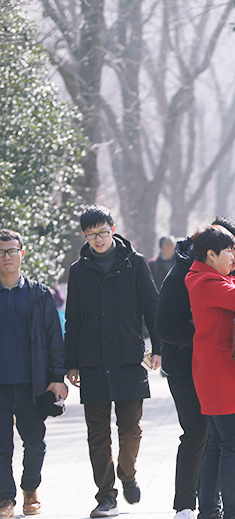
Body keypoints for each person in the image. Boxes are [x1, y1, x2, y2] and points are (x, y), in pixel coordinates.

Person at [156, 217, 235, 519]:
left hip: (218, 373)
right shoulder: (204, 280)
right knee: (234, 447)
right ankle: (233, 511)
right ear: (211, 254)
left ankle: (210, 510)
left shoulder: (208, 275)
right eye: (230, 251)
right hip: (222, 375)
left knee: (216, 446)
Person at [64, 206, 162, 517]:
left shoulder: (134, 264)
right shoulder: (79, 271)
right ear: (84, 236)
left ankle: (127, 473)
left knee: (130, 429)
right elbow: (73, 320)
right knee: (97, 434)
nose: (99, 239)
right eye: (92, 235)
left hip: (128, 359)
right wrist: (71, 362)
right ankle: (105, 495)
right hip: (92, 360)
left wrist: (158, 347)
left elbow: (152, 307)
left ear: (113, 228)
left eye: (103, 232)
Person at [0, 229, 68, 518]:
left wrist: (57, 378)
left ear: (22, 254)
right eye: (2, 252)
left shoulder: (39, 294)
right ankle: (5, 499)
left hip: (33, 383)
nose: (7, 257)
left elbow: (54, 338)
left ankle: (30, 490)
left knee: (35, 443)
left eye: (12, 251)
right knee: (1, 447)